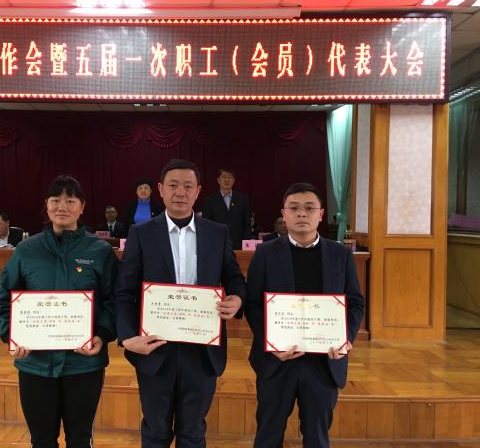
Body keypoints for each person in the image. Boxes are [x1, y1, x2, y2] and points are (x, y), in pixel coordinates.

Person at [115, 159, 246, 448]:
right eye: (173, 185)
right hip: (154, 348)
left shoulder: (217, 233)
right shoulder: (141, 233)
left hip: (202, 350)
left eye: (188, 186)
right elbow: (124, 292)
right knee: (155, 432)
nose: (180, 192)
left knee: (193, 432)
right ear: (160, 189)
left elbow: (235, 279)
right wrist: (126, 337)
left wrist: (237, 299)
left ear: (198, 191)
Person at [0, 175, 117, 448]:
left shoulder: (100, 251)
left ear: (82, 207)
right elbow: (3, 300)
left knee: (80, 439)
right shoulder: (26, 250)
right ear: (46, 206)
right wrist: (11, 335)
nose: (62, 206)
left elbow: (113, 301)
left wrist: (103, 334)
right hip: (35, 364)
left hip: (84, 363)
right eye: (55, 200)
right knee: (42, 440)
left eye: (70, 200)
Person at [245, 183, 365, 448]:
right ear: (284, 214)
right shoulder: (265, 253)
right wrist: (271, 343)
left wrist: (345, 338)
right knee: (268, 434)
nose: (302, 213)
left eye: (309, 208)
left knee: (317, 437)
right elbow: (253, 304)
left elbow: (356, 303)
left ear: (321, 214)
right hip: (277, 360)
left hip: (324, 362)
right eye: (294, 208)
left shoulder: (341, 254)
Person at [202, 168, 251, 250]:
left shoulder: (243, 199)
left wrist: (245, 244)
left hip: (238, 246)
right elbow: (206, 225)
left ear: (234, 181)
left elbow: (247, 224)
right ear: (218, 180)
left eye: (230, 177)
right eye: (224, 177)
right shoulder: (210, 200)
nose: (227, 180)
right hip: (217, 244)